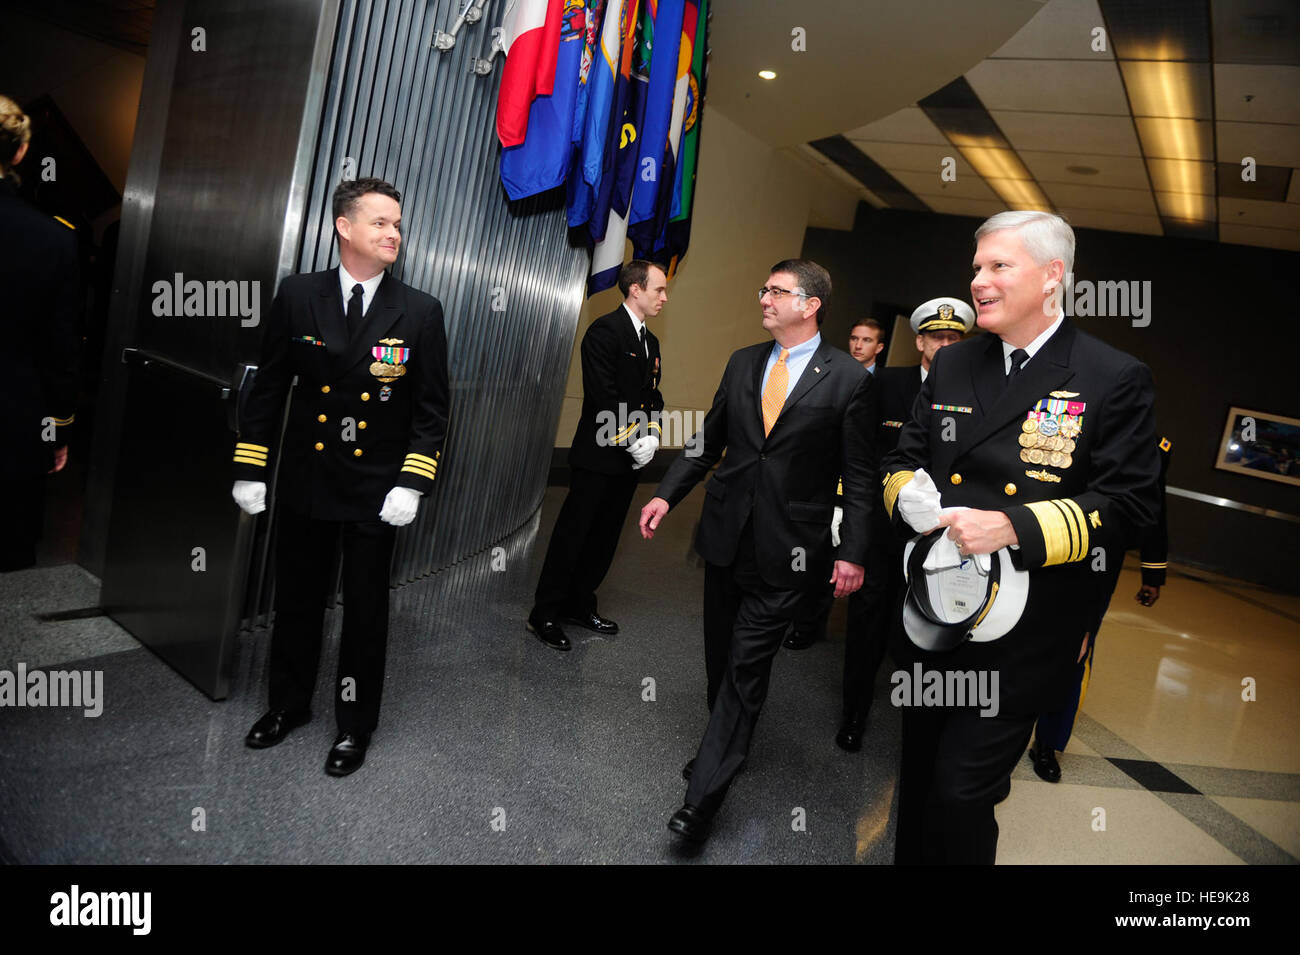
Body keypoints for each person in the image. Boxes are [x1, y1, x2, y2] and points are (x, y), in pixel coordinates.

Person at [882, 210, 1160, 864]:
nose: (977, 279)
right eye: (976, 266)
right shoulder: (952, 367)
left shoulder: (1109, 376)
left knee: (961, 791)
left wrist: (1014, 524)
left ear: (1051, 277)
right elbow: (900, 460)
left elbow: (1129, 503)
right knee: (918, 777)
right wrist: (914, 500)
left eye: (997, 265)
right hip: (936, 609)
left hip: (1027, 632)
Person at [639, 259, 877, 844]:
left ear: (811, 303)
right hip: (725, 535)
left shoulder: (849, 379)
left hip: (792, 548)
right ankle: (727, 740)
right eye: (764, 288)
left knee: (746, 666)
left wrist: (852, 552)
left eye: (777, 291)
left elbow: (862, 477)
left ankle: (702, 801)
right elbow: (707, 441)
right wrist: (667, 496)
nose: (764, 299)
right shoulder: (744, 362)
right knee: (721, 660)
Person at [232, 177, 450, 777]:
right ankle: (287, 706)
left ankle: (354, 726)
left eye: (398, 224)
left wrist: (412, 482)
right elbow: (270, 386)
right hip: (307, 481)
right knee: (297, 601)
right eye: (380, 222)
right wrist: (252, 466)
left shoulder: (420, 311)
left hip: (376, 492)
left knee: (364, 612)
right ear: (343, 226)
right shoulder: (299, 295)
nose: (393, 234)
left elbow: (432, 411)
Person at [836, 297, 973, 751]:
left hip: (941, 538)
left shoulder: (975, 390)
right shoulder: (886, 383)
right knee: (867, 623)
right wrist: (846, 512)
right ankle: (852, 713)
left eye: (954, 338)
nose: (945, 345)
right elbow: (860, 452)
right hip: (883, 529)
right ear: (919, 341)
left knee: (927, 626)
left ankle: (915, 727)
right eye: (937, 337)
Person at [527, 260, 666, 651]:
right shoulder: (605, 331)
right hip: (598, 455)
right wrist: (630, 437)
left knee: (605, 537)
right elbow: (603, 394)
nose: (664, 297)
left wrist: (652, 435)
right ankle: (546, 613)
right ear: (635, 289)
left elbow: (652, 395)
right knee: (574, 535)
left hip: (628, 460)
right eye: (659, 289)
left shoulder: (650, 342)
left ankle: (579, 603)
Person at [1028, 434, 1172, 781]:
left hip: (1098, 556)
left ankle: (1048, 742)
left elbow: (1151, 500)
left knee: (1076, 649)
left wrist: (1153, 567)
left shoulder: (1152, 442)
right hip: (1033, 539)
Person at [0, 95, 78, 572]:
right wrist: (58, 428)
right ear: (20, 153)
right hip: (13, 423)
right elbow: (60, 349)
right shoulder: (52, 237)